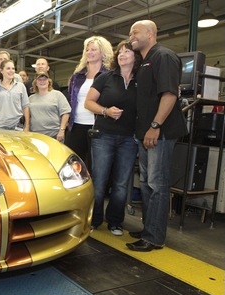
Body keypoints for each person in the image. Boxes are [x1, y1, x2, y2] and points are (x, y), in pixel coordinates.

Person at [126, 20, 187, 252]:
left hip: (159, 132)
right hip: (146, 134)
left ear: (151, 33)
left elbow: (170, 95)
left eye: (135, 32)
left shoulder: (164, 56)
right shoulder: (145, 61)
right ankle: (149, 228)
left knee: (156, 184)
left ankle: (154, 237)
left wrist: (155, 125)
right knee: (146, 183)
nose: (131, 35)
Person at [84, 40, 142, 236]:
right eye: (120, 52)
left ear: (136, 56)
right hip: (104, 136)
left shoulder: (141, 80)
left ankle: (115, 222)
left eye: (127, 52)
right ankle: (95, 219)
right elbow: (88, 103)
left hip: (129, 139)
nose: (122, 55)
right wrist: (105, 111)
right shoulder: (105, 78)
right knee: (99, 182)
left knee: (120, 184)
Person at [63, 36, 114, 170]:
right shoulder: (77, 76)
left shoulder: (110, 75)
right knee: (71, 166)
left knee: (96, 168)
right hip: (76, 125)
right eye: (87, 50)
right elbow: (71, 101)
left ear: (103, 52)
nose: (89, 52)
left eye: (93, 50)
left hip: (99, 126)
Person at [28, 72, 70, 141]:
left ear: (48, 81)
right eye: (39, 80)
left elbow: (66, 113)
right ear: (35, 82)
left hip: (54, 134)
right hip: (35, 135)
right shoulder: (30, 98)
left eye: (44, 79)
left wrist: (62, 130)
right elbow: (27, 116)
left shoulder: (57, 95)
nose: (42, 81)